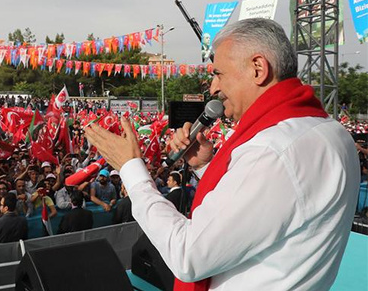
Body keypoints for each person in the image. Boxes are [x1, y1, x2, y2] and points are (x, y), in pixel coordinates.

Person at [85, 18, 360, 290]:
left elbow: (189, 255)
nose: (213, 88)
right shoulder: (331, 132)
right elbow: (272, 212)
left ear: (258, 68)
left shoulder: (273, 151)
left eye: (219, 74)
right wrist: (206, 167)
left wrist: (132, 170)